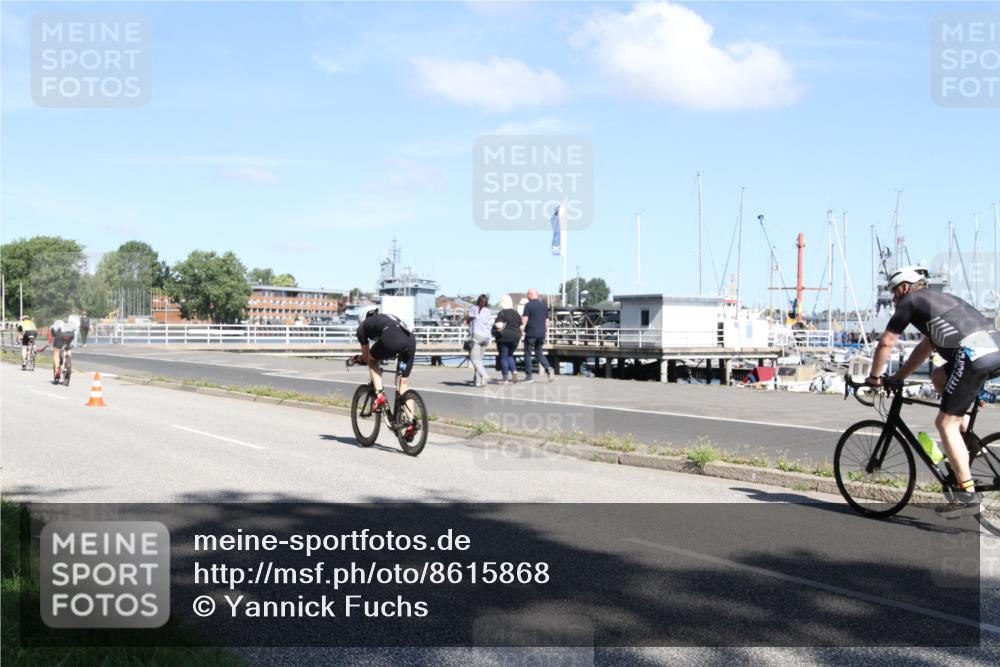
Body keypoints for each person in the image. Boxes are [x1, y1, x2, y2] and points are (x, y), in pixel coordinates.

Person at [867, 266, 1000, 518]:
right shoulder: (939, 301)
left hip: (972, 357)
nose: (895, 300)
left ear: (904, 287)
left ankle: (967, 495)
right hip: (994, 350)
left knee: (945, 424)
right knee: (938, 375)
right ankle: (967, 433)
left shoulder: (910, 301)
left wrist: (874, 378)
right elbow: (925, 348)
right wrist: (898, 377)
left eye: (895, 294)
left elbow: (886, 342)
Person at [353, 307, 420, 440]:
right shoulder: (386, 317)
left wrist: (357, 359)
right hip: (410, 340)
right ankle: (411, 421)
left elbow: (366, 358)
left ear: (362, 318)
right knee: (403, 382)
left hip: (392, 338)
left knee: (372, 362)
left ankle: (379, 396)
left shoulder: (362, 327)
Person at [520, 288, 553, 383]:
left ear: (530, 295)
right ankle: (548, 369)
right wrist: (545, 332)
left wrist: (521, 330)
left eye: (527, 295)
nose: (527, 297)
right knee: (539, 353)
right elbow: (547, 321)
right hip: (541, 333)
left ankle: (529, 376)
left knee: (527, 353)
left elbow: (524, 320)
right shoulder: (543, 306)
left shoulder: (528, 305)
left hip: (531, 333)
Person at [492, 294, 522, 385]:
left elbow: (499, 325)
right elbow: (521, 326)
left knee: (504, 357)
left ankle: (505, 379)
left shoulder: (502, 313)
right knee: (510, 355)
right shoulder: (516, 313)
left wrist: (495, 326)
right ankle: (514, 372)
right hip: (515, 337)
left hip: (504, 338)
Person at [465, 294, 492, 387]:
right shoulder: (488, 311)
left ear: (478, 301)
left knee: (474, 359)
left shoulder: (474, 309)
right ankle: (477, 382)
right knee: (479, 360)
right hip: (487, 337)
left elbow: (468, 318)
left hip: (477, 336)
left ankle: (485, 375)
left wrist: (467, 317)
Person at [49, 316, 78, 383]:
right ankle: (68, 361)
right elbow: (75, 331)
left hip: (61, 335)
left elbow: (53, 334)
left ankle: (57, 371)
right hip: (70, 335)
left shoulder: (56, 324)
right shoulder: (71, 323)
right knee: (68, 348)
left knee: (56, 352)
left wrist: (55, 341)